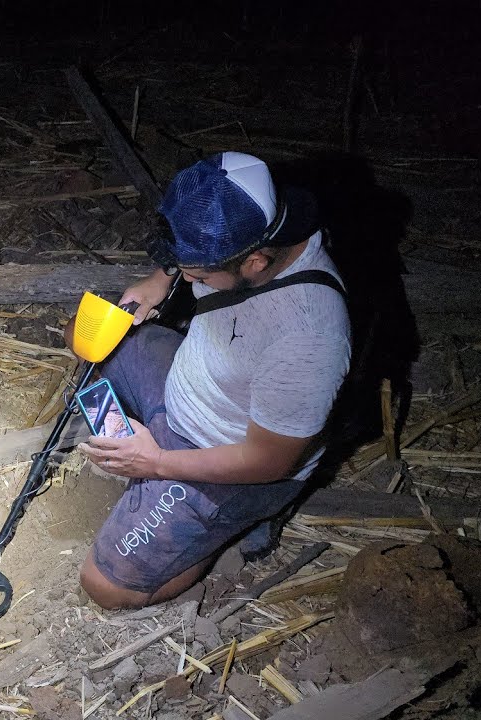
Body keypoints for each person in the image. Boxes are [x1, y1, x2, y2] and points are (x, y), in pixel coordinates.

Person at [76, 152, 351, 609]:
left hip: (226, 455)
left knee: (105, 588)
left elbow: (267, 463)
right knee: (86, 337)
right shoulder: (250, 225)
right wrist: (159, 279)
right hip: (195, 380)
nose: (188, 280)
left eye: (198, 275)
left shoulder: (307, 339)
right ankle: (153, 471)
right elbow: (187, 250)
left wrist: (157, 463)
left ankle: (229, 525)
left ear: (256, 263)